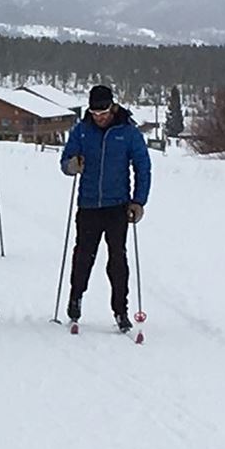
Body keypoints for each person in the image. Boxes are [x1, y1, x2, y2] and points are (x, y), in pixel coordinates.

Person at [60, 85, 151, 333]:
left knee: (117, 260)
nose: (99, 118)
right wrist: (72, 164)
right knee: (83, 256)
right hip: (88, 204)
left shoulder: (128, 131)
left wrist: (138, 201)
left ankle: (121, 310)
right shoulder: (81, 130)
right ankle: (75, 298)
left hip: (117, 206)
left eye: (103, 112)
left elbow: (143, 166)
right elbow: (65, 162)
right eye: (94, 113)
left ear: (112, 107)